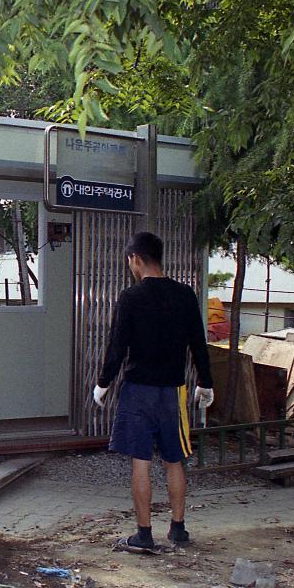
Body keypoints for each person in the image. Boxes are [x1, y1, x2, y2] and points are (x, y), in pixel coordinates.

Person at [93, 231, 213, 553]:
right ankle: (178, 529)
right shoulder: (185, 295)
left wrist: (103, 383)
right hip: (173, 391)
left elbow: (117, 347)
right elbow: (198, 344)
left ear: (135, 258)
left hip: (137, 392)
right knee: (175, 461)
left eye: (129, 261)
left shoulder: (131, 298)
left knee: (141, 462)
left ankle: (144, 534)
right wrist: (206, 382)